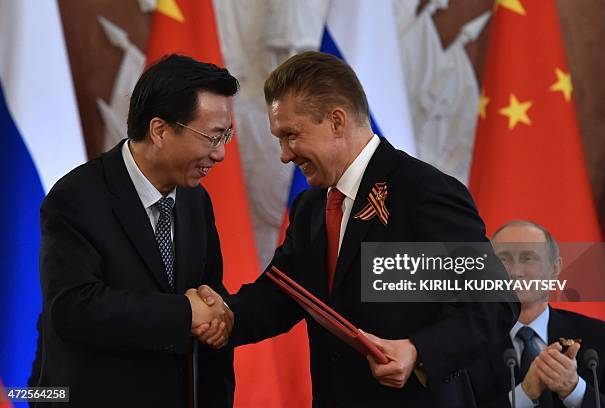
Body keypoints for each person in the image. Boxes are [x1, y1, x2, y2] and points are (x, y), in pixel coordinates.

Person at [196, 51, 518, 407]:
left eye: (291, 135)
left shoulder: (423, 193)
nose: (285, 155)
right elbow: (282, 294)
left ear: (336, 121)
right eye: (279, 139)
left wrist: (417, 352)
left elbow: (495, 302)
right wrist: (223, 315)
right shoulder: (311, 207)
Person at [35, 54, 235, 407]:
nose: (220, 155)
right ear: (160, 130)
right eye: (212, 137)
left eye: (226, 136)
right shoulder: (76, 197)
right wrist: (184, 314)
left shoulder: (195, 201)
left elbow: (209, 302)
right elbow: (72, 308)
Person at [468, 220, 605, 407]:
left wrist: (574, 390)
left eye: (528, 258)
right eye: (503, 259)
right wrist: (524, 394)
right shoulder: (466, 344)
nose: (515, 272)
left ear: (554, 268)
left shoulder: (601, 338)